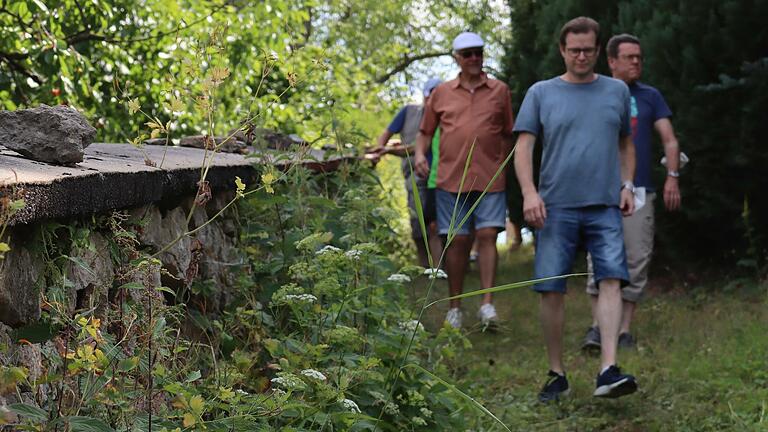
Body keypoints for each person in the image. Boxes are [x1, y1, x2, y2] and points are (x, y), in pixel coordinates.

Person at [513, 17, 638, 401]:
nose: (581, 56)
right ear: (562, 51)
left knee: (612, 279)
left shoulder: (616, 91)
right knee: (551, 288)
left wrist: (627, 184)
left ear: (598, 51)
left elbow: (625, 144)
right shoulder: (540, 92)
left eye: (587, 49)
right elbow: (523, 148)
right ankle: (556, 373)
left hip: (604, 205)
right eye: (573, 50)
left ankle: (608, 369)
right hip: (555, 206)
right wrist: (529, 193)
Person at [581, 34, 682, 351]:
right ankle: (597, 329)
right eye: (629, 57)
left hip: (639, 190)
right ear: (611, 61)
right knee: (599, 258)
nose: (636, 61)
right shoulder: (593, 92)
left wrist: (672, 177)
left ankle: (623, 331)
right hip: (599, 190)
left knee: (637, 258)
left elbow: (670, 140)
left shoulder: (650, 96)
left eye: (639, 56)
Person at [415, 32, 515, 329]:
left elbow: (508, 133)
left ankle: (487, 305)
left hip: (490, 178)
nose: (474, 58)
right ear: (457, 58)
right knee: (456, 241)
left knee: (487, 235)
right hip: (450, 179)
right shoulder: (442, 93)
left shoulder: (500, 90)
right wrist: (420, 155)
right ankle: (454, 307)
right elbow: (425, 132)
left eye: (478, 53)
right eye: (468, 53)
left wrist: (503, 165)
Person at [371, 78, 443, 268]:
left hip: (441, 177)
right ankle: (423, 267)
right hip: (414, 177)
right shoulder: (409, 112)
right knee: (417, 225)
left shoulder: (446, 117)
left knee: (437, 225)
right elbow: (387, 134)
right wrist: (379, 151)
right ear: (425, 95)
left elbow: (414, 147)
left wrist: (389, 150)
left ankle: (438, 269)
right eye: (432, 94)